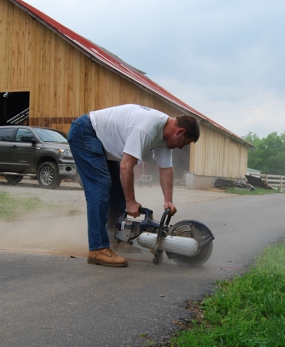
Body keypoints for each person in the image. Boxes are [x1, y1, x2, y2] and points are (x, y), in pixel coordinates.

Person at [67, 104, 200, 267]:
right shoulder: (147, 128)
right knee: (101, 185)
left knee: (117, 191)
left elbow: (166, 168)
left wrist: (169, 201)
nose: (181, 147)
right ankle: (98, 249)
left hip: (99, 141)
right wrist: (131, 202)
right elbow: (126, 166)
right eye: (183, 143)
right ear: (179, 131)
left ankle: (114, 238)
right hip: (85, 132)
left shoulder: (164, 137)